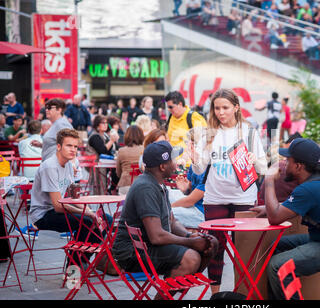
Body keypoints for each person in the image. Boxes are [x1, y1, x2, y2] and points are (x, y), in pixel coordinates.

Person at [252, 138, 320, 300]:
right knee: (275, 246)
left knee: (277, 267)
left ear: (298, 166)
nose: (284, 164)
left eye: (288, 160)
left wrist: (269, 180)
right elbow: (289, 208)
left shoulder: (308, 189)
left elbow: (275, 218)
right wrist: (271, 208)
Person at [111, 141, 218, 296]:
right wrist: (190, 242)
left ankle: (174, 282)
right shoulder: (146, 187)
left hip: (147, 246)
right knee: (191, 258)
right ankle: (167, 291)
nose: (175, 163)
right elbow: (156, 236)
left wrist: (190, 236)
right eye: (172, 160)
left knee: (211, 244)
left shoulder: (158, 184)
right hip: (132, 252)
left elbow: (172, 221)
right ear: (162, 167)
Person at [191, 88, 267, 295]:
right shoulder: (208, 134)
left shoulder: (248, 132)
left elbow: (263, 168)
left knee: (244, 251)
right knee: (214, 249)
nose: (221, 112)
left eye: (225, 107)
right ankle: (215, 296)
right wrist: (195, 158)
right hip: (215, 198)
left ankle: (241, 294)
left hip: (244, 198)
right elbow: (199, 170)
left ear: (236, 108)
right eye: (217, 108)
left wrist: (253, 160)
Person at [30, 129, 111, 269]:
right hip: (44, 214)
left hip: (59, 210)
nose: (73, 150)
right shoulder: (50, 166)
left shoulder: (68, 164)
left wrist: (90, 210)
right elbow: (58, 206)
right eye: (69, 146)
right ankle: (74, 266)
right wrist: (88, 213)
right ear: (59, 146)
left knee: (106, 219)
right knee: (88, 222)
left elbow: (73, 197)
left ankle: (82, 260)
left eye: (75, 146)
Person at [169, 128, 206, 230]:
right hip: (194, 207)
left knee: (165, 213)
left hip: (202, 213)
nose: (186, 147)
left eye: (188, 143)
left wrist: (168, 207)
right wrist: (185, 189)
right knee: (167, 192)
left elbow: (190, 201)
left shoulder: (207, 168)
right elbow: (189, 193)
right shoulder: (194, 165)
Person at [88, 115, 120, 194]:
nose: (105, 125)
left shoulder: (105, 135)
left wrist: (115, 141)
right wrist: (112, 140)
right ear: (97, 125)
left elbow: (113, 149)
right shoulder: (94, 136)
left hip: (106, 163)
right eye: (103, 123)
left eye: (106, 123)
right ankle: (103, 194)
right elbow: (102, 151)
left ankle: (112, 190)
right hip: (96, 164)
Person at [116, 125, 144, 195]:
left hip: (125, 184)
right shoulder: (144, 149)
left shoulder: (121, 151)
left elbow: (118, 172)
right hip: (141, 184)